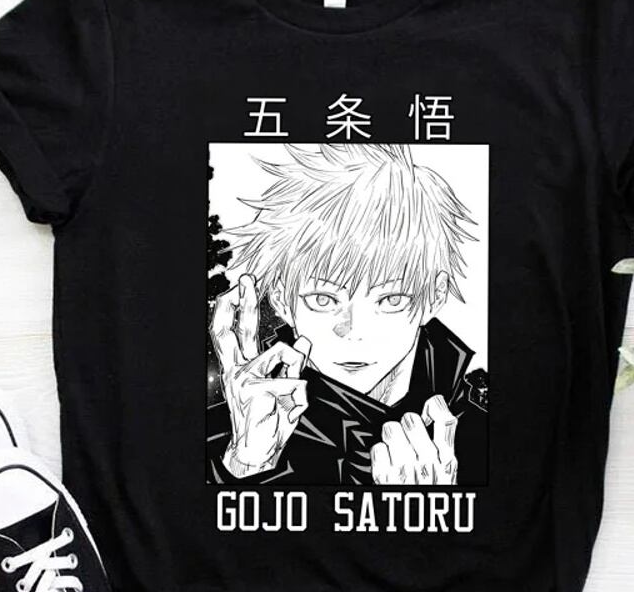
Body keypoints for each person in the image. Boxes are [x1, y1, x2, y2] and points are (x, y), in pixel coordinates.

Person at [207, 143, 488, 487]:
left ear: (435, 296)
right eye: (323, 299)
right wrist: (245, 466)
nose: (354, 332)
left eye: (391, 299)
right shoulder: (224, 438)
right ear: (281, 298)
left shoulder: (487, 437)